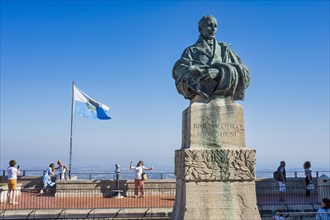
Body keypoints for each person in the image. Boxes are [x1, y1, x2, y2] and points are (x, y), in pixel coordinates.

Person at [172, 15, 250, 101]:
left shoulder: (225, 50)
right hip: (200, 100)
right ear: (200, 29)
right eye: (209, 25)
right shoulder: (190, 51)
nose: (213, 29)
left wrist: (220, 71)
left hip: (225, 100)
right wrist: (203, 73)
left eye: (216, 26)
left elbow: (244, 72)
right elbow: (180, 72)